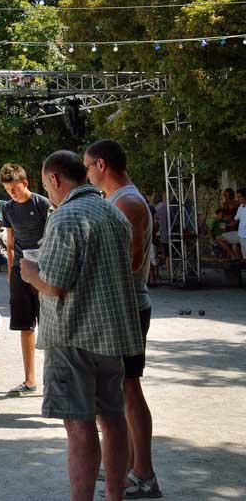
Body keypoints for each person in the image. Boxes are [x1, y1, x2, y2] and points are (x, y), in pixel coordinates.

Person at [20, 151, 142, 501]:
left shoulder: (66, 217)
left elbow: (55, 284)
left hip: (72, 336)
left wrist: (31, 274)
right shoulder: (113, 213)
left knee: (79, 425)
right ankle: (115, 496)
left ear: (55, 180)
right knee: (114, 420)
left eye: (45, 184)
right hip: (112, 335)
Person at [84, 139, 162, 499]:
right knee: (121, 391)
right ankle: (132, 467)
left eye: (87, 167)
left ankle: (144, 474)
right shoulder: (118, 201)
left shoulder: (127, 203)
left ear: (101, 165)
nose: (85, 174)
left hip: (127, 308)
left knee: (128, 390)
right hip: (123, 307)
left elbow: (127, 264)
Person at [0, 162, 52, 397]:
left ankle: (54, 381)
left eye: (15, 188)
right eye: (8, 189)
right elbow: (10, 243)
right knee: (25, 325)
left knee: (50, 326)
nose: (12, 193)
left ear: (25, 183)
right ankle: (30, 380)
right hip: (21, 271)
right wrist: (11, 272)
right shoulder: (8, 208)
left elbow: (53, 237)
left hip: (45, 270)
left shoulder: (42, 203)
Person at [213, 188, 246, 260]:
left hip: (243, 235)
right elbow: (235, 221)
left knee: (241, 254)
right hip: (239, 234)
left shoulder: (236, 204)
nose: (238, 198)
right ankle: (233, 256)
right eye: (237, 196)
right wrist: (226, 224)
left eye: (239, 197)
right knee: (218, 238)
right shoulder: (240, 207)